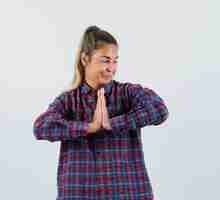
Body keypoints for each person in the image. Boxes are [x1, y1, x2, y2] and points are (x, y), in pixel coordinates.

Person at [33, 25, 169, 200]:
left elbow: (159, 109)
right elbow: (41, 127)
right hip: (80, 194)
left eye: (115, 60)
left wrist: (113, 123)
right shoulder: (68, 101)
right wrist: (89, 127)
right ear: (85, 59)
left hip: (128, 193)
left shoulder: (128, 93)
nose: (111, 67)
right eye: (105, 60)